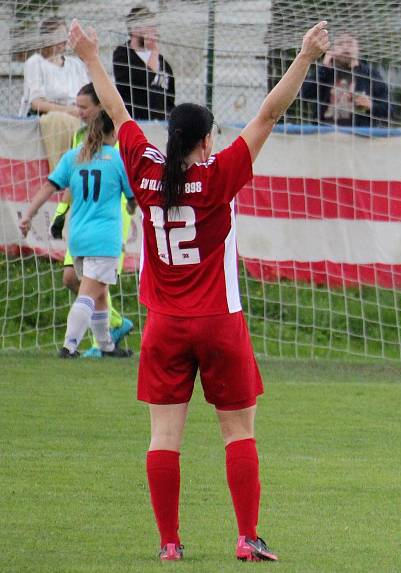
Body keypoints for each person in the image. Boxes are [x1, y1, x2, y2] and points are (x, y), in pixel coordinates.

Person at [69, 17, 329, 561]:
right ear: (207, 140)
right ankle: (246, 536)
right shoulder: (217, 175)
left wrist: (92, 56)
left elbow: (116, 111)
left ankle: (169, 543)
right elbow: (268, 112)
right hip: (219, 321)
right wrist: (305, 56)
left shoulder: (142, 166)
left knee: (164, 437)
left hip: (164, 323)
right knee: (238, 431)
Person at [19, 92, 135, 360]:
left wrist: (29, 215)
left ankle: (106, 344)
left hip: (78, 236)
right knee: (88, 292)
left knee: (100, 292)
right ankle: (69, 345)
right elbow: (133, 199)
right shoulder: (118, 160)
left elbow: (50, 186)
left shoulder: (74, 156)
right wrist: (133, 208)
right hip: (105, 238)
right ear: (113, 132)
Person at [49, 83, 137, 356]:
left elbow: (129, 190)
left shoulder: (120, 141)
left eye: (84, 107)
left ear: (101, 107)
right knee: (76, 280)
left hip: (109, 223)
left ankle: (84, 341)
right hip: (84, 223)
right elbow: (74, 182)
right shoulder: (81, 138)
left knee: (89, 284)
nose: (79, 112)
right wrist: (61, 215)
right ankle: (109, 337)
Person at [19, 16, 89, 170]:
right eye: (58, 37)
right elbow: (37, 103)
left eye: (65, 36)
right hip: (46, 117)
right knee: (59, 121)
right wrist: (70, 111)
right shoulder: (35, 63)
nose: (63, 41)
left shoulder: (75, 65)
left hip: (78, 114)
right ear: (46, 38)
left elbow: (88, 95)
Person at [300, 31, 387, 127]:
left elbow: (389, 110)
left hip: (360, 137)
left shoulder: (371, 75)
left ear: (358, 47)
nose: (345, 47)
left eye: (350, 43)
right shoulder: (326, 72)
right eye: (340, 43)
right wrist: (324, 68)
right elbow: (303, 94)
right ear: (332, 49)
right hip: (324, 136)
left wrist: (370, 105)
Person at [112, 5, 175, 120]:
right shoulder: (122, 55)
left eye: (154, 25)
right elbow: (144, 81)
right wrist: (153, 50)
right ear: (134, 28)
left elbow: (170, 99)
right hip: (135, 121)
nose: (153, 30)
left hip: (160, 125)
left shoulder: (163, 64)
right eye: (148, 25)